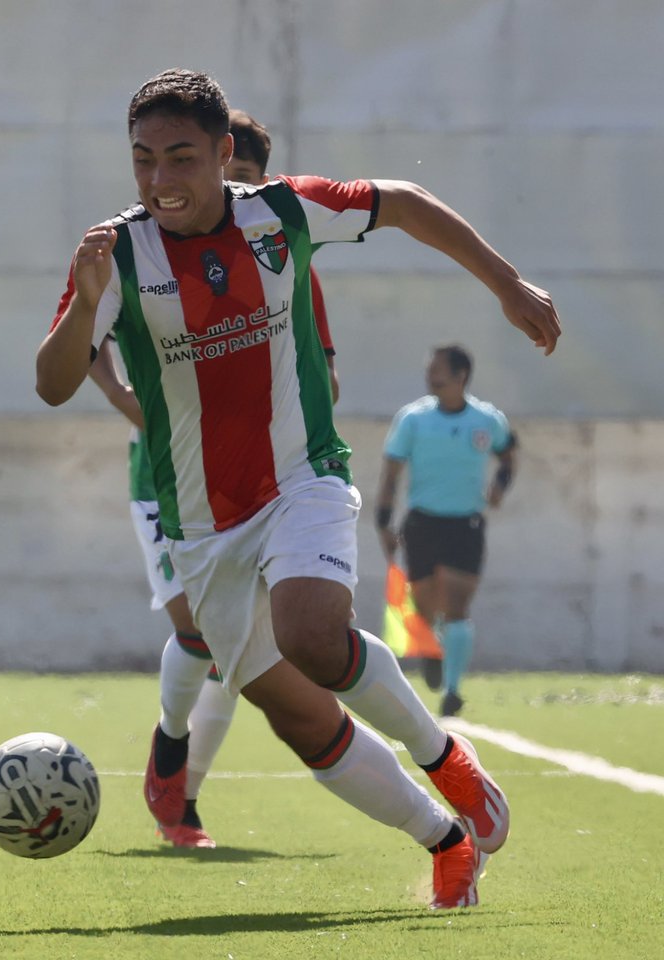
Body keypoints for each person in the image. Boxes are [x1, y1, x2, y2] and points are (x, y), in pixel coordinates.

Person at [37, 68, 560, 909]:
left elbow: (403, 199)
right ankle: (446, 841)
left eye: (180, 158)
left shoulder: (281, 212)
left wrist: (504, 284)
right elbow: (52, 383)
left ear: (223, 153)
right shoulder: (116, 254)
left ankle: (449, 763)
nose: (161, 180)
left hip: (300, 480)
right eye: (143, 161)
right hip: (201, 523)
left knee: (315, 634)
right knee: (298, 716)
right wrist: (80, 306)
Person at [85, 106, 341, 850]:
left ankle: (180, 800)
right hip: (169, 480)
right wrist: (123, 399)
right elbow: (83, 329)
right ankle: (170, 747)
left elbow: (320, 362)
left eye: (247, 183)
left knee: (242, 653)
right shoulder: (143, 247)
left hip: (273, 480)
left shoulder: (280, 247)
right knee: (202, 633)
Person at [375, 344, 516, 718]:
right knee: (423, 609)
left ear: (460, 376)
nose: (429, 375)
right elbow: (391, 472)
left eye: (437, 369)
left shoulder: (487, 419)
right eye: (428, 368)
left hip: (466, 524)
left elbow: (509, 453)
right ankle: (433, 650)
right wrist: (383, 522)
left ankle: (453, 692)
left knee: (457, 606)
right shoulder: (413, 419)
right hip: (422, 523)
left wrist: (501, 484)